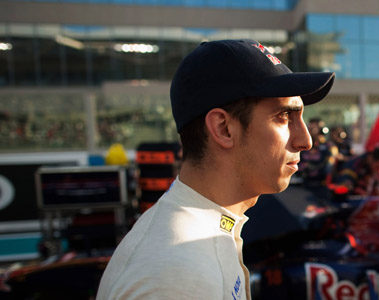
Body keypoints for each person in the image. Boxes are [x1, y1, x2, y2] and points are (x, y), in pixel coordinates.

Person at [96, 39, 335, 299]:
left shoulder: (203, 234)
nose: (306, 140)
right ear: (223, 128)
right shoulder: (177, 274)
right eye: (284, 116)